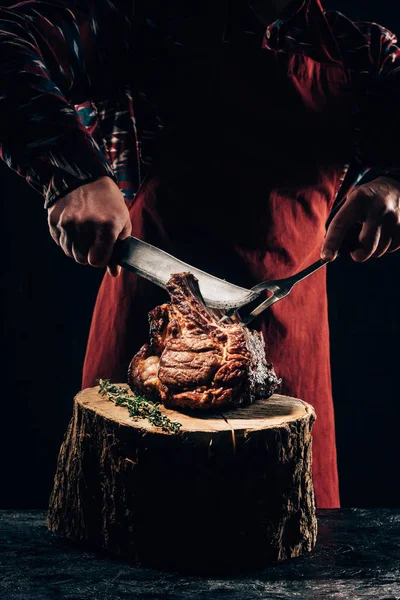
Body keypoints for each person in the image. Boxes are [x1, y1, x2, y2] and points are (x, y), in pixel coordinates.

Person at [1, 0, 399, 509]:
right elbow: (7, 39)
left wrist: (395, 184)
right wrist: (70, 171)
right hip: (148, 358)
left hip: (290, 359)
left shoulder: (363, 52)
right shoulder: (138, 20)